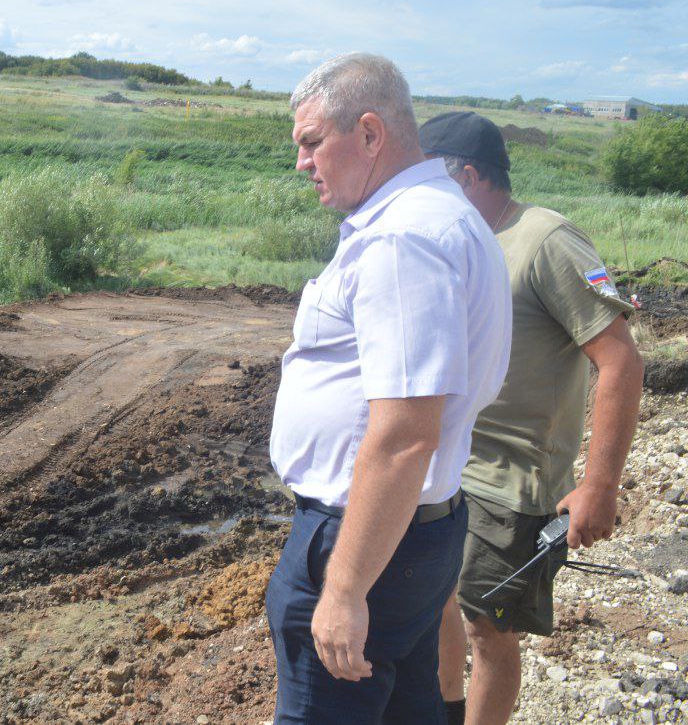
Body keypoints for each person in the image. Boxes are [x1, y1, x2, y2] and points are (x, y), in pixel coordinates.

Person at [265, 55, 511, 723]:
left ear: (370, 133)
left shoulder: (404, 237)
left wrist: (344, 587)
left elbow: (405, 434)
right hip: (411, 531)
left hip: (367, 538)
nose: (301, 162)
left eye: (313, 141)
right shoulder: (442, 215)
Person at [424, 111, 644, 725]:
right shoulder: (456, 239)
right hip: (445, 467)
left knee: (487, 632)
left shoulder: (545, 240)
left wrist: (599, 485)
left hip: (511, 482)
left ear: (467, 176)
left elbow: (620, 360)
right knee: (436, 604)